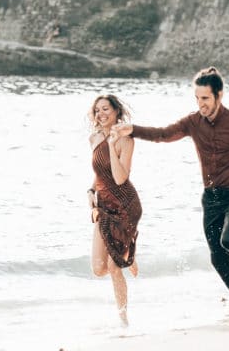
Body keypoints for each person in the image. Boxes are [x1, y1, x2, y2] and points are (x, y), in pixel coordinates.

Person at [111, 67, 229, 314]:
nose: (200, 104)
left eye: (205, 98)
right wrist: (134, 130)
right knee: (218, 258)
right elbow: (164, 134)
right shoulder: (193, 122)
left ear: (219, 96)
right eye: (197, 98)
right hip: (212, 199)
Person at [87, 94, 142, 326]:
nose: (101, 114)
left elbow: (120, 178)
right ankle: (127, 255)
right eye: (97, 110)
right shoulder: (93, 137)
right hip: (103, 204)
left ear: (117, 111)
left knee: (113, 266)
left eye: (106, 109)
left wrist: (111, 142)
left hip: (125, 205)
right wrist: (90, 191)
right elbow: (100, 171)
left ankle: (123, 320)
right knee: (99, 269)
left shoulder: (126, 141)